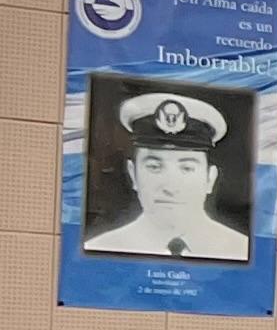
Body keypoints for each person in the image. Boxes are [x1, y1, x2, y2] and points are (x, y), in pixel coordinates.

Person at [85, 92, 250, 261]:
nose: (170, 187)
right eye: (154, 167)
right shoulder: (98, 250)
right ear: (133, 174)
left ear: (210, 178)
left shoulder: (241, 251)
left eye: (187, 168)